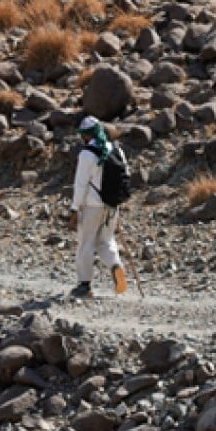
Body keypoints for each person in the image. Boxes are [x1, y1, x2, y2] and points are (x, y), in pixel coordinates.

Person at [69, 116, 126, 298]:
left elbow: (81, 185)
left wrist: (74, 208)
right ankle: (116, 265)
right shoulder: (117, 150)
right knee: (106, 241)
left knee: (86, 243)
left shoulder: (86, 154)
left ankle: (84, 285)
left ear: (86, 135)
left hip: (91, 206)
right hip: (112, 206)